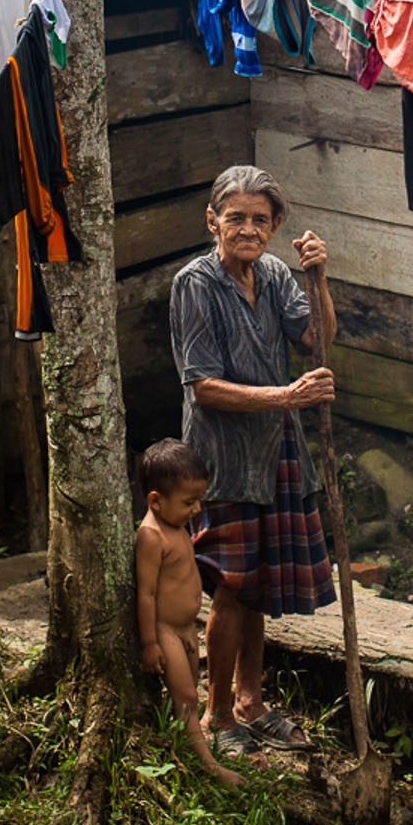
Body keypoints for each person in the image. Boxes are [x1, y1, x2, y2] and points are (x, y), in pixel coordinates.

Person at [169, 164, 338, 758]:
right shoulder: (195, 283)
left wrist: (317, 278)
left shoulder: (272, 274)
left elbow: (316, 339)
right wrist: (286, 397)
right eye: (235, 217)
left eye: (259, 220)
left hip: (277, 451)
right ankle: (218, 716)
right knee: (233, 588)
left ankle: (251, 703)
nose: (247, 229)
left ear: (275, 228)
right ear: (211, 220)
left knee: (260, 585)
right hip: (224, 458)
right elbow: (203, 385)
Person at [134, 438, 241, 786]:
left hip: (185, 629)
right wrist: (150, 643)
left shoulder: (175, 525)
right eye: (189, 502)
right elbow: (147, 594)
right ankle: (209, 767)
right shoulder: (152, 537)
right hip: (165, 630)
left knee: (190, 693)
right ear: (155, 500)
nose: (197, 510)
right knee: (186, 697)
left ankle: (186, 749)